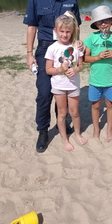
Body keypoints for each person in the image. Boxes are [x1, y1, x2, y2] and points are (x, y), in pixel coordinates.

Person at [23, 0, 81, 153]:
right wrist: (29, 54)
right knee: (45, 93)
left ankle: (61, 123)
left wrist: (78, 45)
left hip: (66, 51)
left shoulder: (72, 0)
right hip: (45, 51)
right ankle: (42, 131)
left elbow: (76, 27)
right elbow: (32, 27)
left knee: (63, 90)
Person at [45, 13, 87, 151]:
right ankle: (64, 138)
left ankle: (77, 134)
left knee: (75, 112)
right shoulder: (52, 48)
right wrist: (59, 69)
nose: (64, 34)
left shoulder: (77, 47)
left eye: (68, 31)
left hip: (73, 85)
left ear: (73, 31)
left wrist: (75, 69)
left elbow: (81, 65)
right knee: (62, 113)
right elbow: (48, 70)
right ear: (55, 31)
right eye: (61, 31)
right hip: (58, 86)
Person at [83, 5, 112, 142]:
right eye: (100, 22)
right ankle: (96, 129)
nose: (104, 24)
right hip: (95, 79)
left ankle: (109, 130)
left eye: (106, 21)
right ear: (96, 24)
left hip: (110, 80)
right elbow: (85, 58)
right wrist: (97, 57)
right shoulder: (92, 38)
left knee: (110, 104)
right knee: (95, 105)